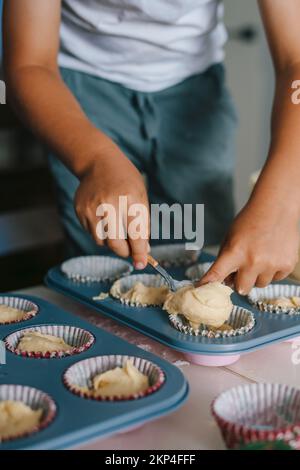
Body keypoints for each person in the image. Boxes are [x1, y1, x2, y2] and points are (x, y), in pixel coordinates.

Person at [3, 0, 300, 294]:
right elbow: (30, 64)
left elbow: (295, 60)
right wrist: (95, 160)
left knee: (198, 252)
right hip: (76, 98)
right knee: (102, 261)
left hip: (194, 92)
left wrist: (280, 206)